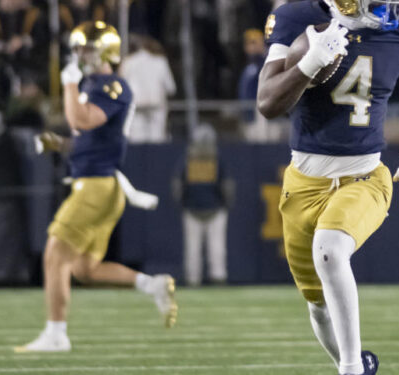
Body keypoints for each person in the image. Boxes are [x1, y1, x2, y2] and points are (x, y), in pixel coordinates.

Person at [257, 1, 399, 374]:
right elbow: (266, 103)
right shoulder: (297, 18)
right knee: (317, 305)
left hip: (364, 176)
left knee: (329, 251)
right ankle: (355, 363)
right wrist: (309, 63)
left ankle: (350, 370)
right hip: (303, 182)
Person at [15, 21, 177, 353]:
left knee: (54, 255)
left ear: (105, 49)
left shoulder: (113, 86)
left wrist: (69, 84)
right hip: (97, 184)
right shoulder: (96, 85)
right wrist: (59, 144)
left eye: (85, 48)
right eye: (77, 48)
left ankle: (56, 334)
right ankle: (152, 285)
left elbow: (81, 120)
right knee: (84, 269)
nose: (79, 55)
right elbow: (86, 137)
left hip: (97, 187)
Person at [173, 125, 234, 286]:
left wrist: (182, 202)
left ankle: (210, 278)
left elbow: (177, 185)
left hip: (208, 209)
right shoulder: (192, 159)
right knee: (206, 248)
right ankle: (204, 278)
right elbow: (227, 186)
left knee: (210, 248)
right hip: (201, 209)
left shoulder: (195, 159)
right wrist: (226, 203)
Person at [119, 34, 176, 143]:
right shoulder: (160, 61)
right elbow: (171, 88)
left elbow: (122, 86)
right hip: (156, 104)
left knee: (136, 140)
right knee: (157, 140)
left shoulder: (128, 62)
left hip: (136, 104)